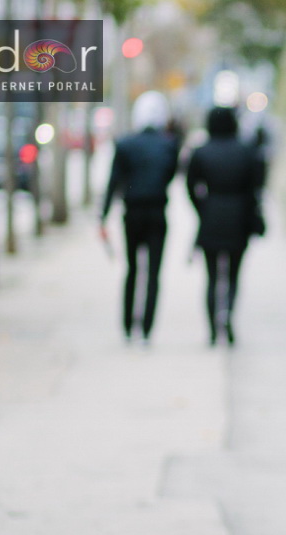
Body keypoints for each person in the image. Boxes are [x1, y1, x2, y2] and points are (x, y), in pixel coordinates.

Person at [99, 90, 180, 344]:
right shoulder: (169, 144)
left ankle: (127, 326)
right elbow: (170, 175)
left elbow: (113, 182)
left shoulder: (124, 144)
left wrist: (102, 217)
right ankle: (146, 329)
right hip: (157, 212)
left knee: (132, 269)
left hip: (131, 213)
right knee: (154, 273)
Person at [185, 107, 266, 345]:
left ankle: (211, 329)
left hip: (211, 216)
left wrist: (202, 208)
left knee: (211, 278)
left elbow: (190, 186)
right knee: (232, 275)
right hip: (239, 217)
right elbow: (256, 187)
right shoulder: (246, 151)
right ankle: (228, 316)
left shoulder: (201, 151)